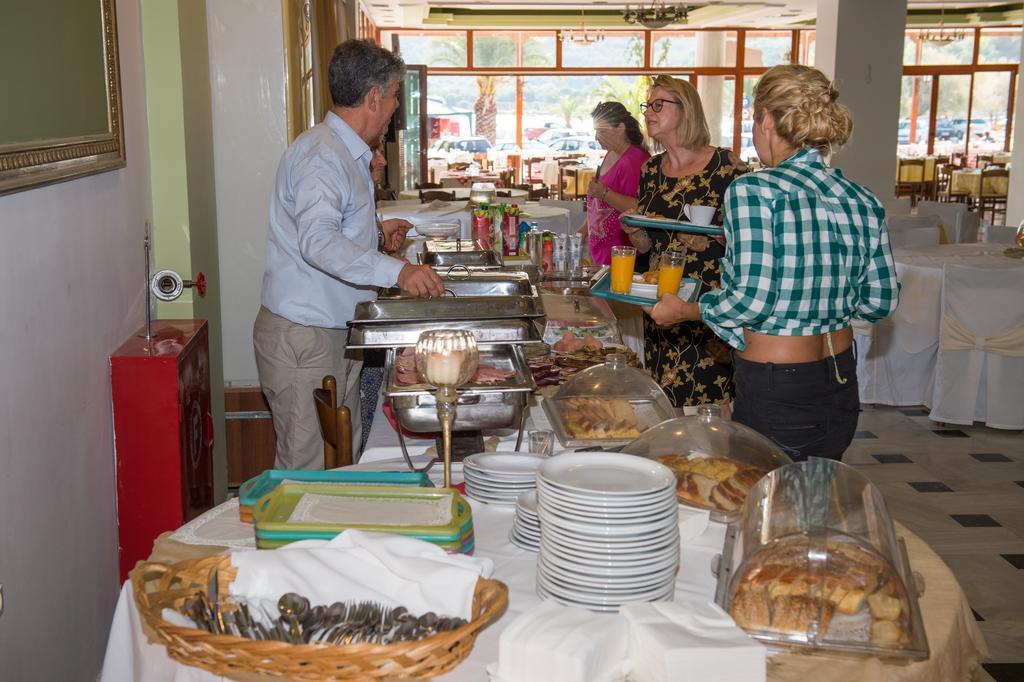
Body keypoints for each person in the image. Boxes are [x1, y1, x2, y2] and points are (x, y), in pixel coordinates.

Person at [645, 64, 899, 461]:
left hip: (777, 382)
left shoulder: (754, 190)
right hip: (840, 376)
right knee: (812, 501)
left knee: (765, 503)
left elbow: (752, 301)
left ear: (765, 119)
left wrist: (687, 310)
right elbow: (878, 303)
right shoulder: (861, 197)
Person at [254, 39, 444, 470]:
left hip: (332, 329)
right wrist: (398, 271)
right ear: (373, 97)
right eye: (395, 94)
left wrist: (373, 234)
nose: (397, 105)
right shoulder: (323, 155)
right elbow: (318, 241)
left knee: (342, 461)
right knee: (307, 471)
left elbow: (329, 228)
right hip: (305, 336)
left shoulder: (345, 152)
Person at [622, 75, 748, 412]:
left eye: (658, 104)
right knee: (668, 399)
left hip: (710, 302)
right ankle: (672, 461)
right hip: (662, 297)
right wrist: (635, 233)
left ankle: (720, 460)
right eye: (647, 105)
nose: (648, 112)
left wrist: (722, 235)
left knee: (718, 405)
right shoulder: (651, 170)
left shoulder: (726, 165)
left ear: (686, 109)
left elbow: (753, 236)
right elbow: (649, 246)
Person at [580, 102, 649, 266]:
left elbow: (639, 207)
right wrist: (584, 229)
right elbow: (598, 205)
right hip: (605, 253)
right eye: (596, 132)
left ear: (620, 128)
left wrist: (604, 192)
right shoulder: (611, 153)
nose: (597, 138)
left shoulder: (633, 160)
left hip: (624, 256)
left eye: (602, 131)